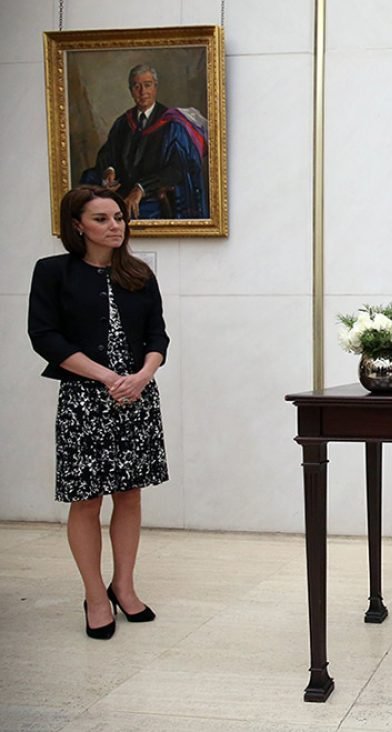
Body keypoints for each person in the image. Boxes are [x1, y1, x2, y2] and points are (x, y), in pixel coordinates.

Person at [28, 185, 169, 639]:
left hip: (136, 398)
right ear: (77, 226)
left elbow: (157, 337)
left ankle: (123, 586)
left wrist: (143, 376)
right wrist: (107, 378)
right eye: (102, 219)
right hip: (85, 400)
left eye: (119, 218)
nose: (115, 226)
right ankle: (94, 595)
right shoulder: (52, 273)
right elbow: (45, 337)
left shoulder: (140, 274)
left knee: (129, 494)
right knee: (86, 499)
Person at [80, 64, 209, 220]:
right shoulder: (123, 122)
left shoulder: (171, 124)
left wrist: (141, 188)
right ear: (130, 91)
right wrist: (109, 170)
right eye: (136, 86)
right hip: (121, 190)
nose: (142, 92)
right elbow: (108, 152)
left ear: (155, 87)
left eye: (147, 85)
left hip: (152, 195)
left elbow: (177, 169)